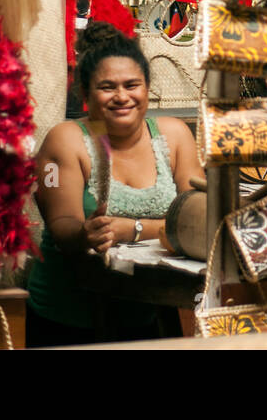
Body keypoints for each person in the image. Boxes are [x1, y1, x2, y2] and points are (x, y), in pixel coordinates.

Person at [26, 21, 204, 346]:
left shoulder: (174, 135)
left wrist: (127, 228)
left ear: (148, 89)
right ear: (84, 93)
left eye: (132, 85)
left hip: (147, 311)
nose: (122, 97)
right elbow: (62, 227)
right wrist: (85, 233)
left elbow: (198, 221)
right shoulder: (65, 141)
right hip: (69, 318)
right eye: (107, 87)